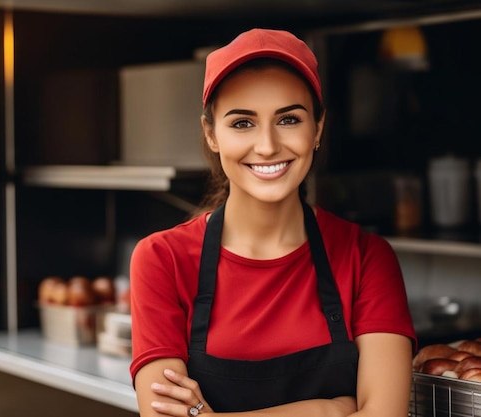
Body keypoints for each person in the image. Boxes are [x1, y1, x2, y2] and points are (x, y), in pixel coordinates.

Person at [129, 28, 417, 417]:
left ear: (317, 129)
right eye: (242, 123)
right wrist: (328, 410)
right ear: (211, 134)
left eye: (288, 119)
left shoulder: (366, 258)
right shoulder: (162, 259)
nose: (266, 146)